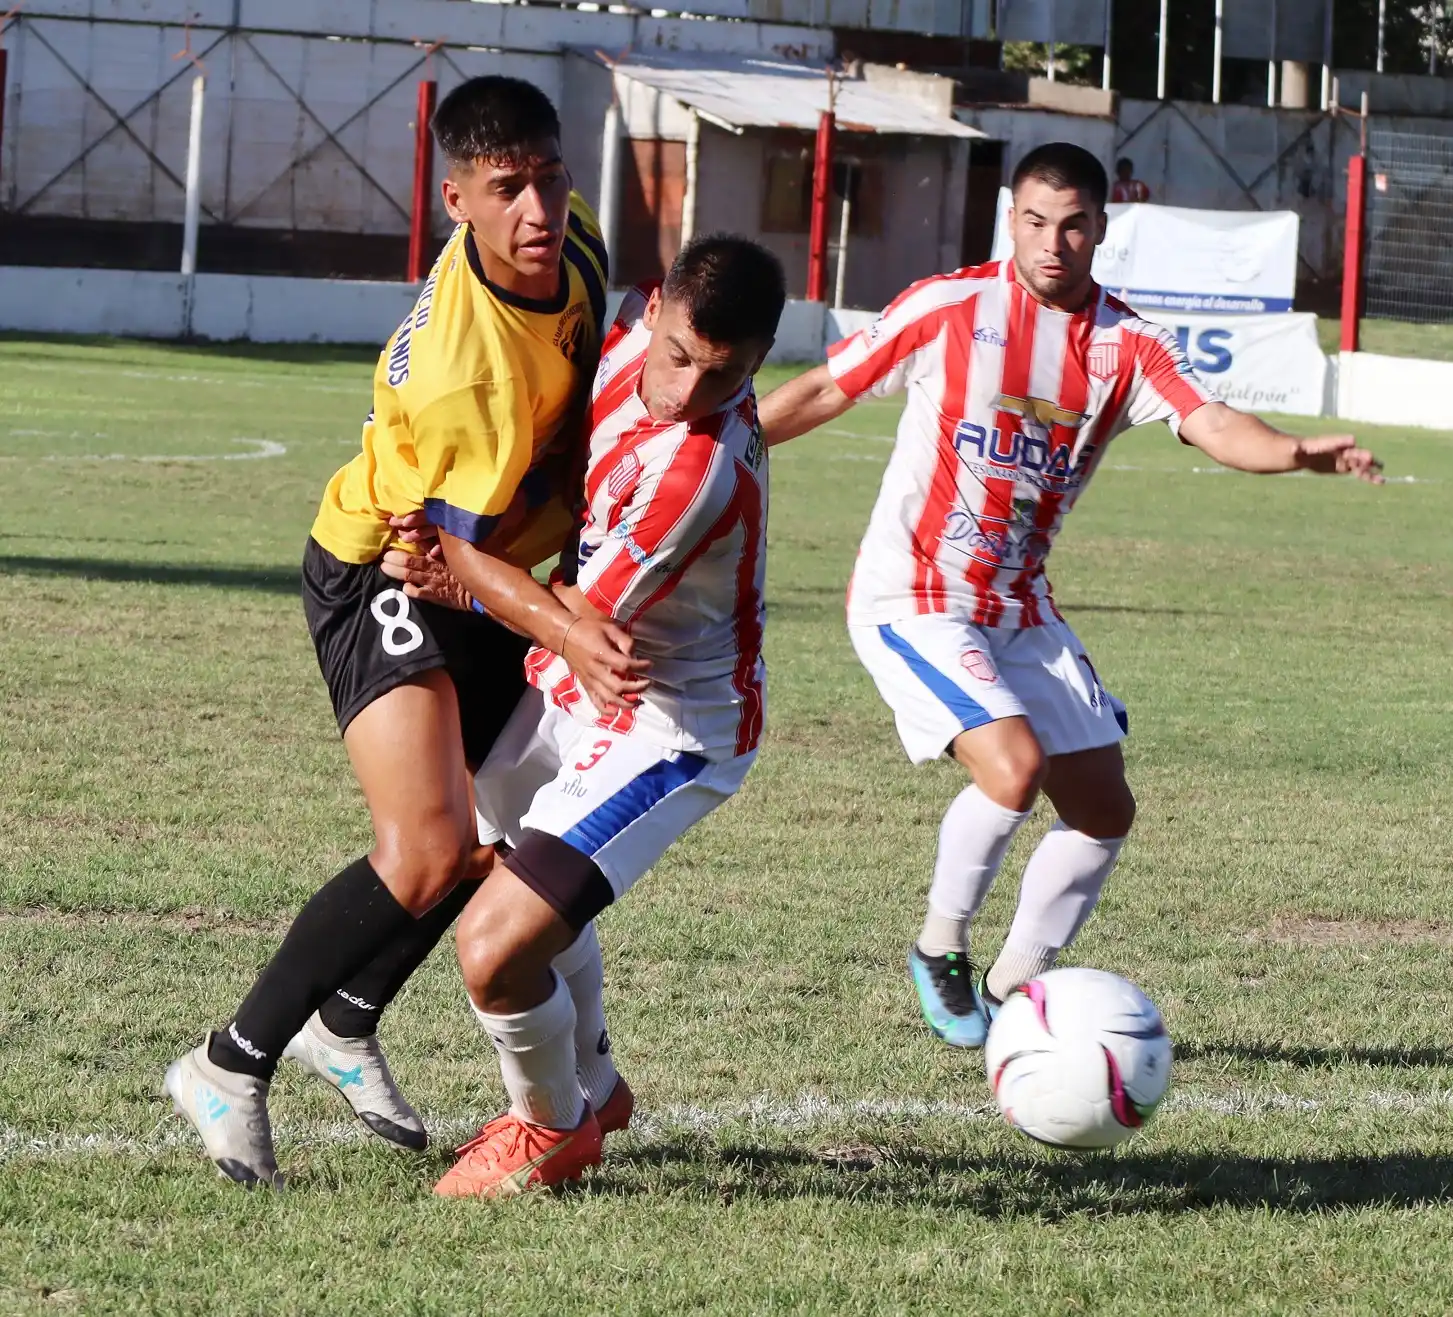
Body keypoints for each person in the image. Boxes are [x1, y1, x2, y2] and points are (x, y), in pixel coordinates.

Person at [756, 142, 1381, 1050]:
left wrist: (1292, 451)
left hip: (1020, 608)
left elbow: (1210, 422)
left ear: (1101, 229)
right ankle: (939, 947)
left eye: (1074, 225)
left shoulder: (1126, 344)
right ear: (1010, 219)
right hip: (914, 592)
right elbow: (822, 387)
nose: (1053, 243)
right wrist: (717, 440)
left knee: (1101, 809)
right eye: (1035, 222)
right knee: (1012, 768)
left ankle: (1013, 987)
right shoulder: (948, 307)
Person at [164, 75, 643, 1189]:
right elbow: (451, 559)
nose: (537, 208)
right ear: (457, 201)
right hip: (387, 567)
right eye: (506, 189)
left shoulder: (573, 238)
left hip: (480, 574)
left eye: (550, 177)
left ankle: (347, 1020)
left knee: (499, 842)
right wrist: (571, 626)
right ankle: (227, 1064)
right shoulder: (467, 372)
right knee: (428, 849)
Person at [389, 234, 786, 1198]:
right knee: (513, 877)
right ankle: (597, 1090)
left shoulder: (695, 474)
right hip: (580, 682)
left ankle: (550, 1127)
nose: (688, 391)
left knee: (492, 947)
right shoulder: (615, 341)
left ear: (759, 361)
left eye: (724, 374)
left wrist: (460, 573)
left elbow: (582, 621)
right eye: (679, 356)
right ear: (653, 310)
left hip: (670, 726)